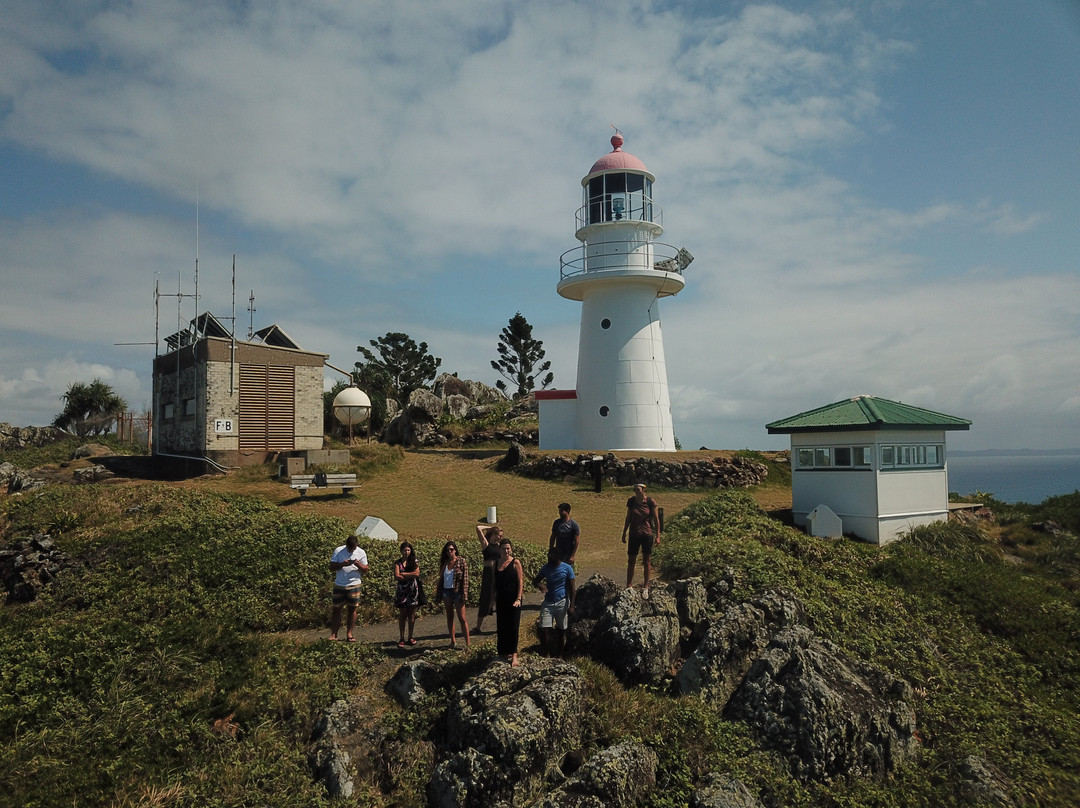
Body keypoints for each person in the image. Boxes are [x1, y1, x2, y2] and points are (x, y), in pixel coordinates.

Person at [531, 548, 576, 659]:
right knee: (544, 628)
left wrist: (571, 606)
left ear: (557, 556)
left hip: (562, 601)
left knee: (561, 630)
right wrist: (540, 586)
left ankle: (559, 656)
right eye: (548, 555)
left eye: (551, 555)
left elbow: (572, 588)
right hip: (549, 602)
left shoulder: (567, 568)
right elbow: (535, 581)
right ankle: (547, 654)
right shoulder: (546, 568)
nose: (549, 557)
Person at [329, 534, 369, 642]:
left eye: (354, 548)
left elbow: (366, 569)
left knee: (352, 609)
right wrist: (342, 564)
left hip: (354, 584)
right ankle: (334, 634)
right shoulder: (338, 551)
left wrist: (358, 565)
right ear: (346, 545)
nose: (352, 550)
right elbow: (331, 567)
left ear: (357, 545)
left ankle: (349, 634)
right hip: (340, 584)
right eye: (350, 548)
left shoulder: (361, 552)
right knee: (336, 609)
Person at [622, 482, 659, 597]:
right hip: (634, 534)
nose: (636, 492)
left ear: (643, 490)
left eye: (638, 490)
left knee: (646, 560)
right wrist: (624, 533)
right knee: (631, 560)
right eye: (634, 490)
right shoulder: (631, 502)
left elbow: (656, 519)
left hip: (647, 534)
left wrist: (658, 535)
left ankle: (646, 586)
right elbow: (628, 517)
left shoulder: (650, 502)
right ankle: (629, 585)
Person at [493, 537, 524, 666]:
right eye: (504, 548)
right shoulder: (497, 563)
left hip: (513, 600)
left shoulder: (515, 562)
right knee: (502, 626)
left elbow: (520, 581)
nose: (506, 551)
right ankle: (503, 651)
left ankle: (514, 655)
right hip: (501, 599)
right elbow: (494, 583)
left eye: (508, 548)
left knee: (513, 627)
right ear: (500, 549)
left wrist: (518, 598)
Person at [437, 540, 470, 649]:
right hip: (446, 591)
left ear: (455, 550)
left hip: (457, 591)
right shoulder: (445, 563)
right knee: (450, 616)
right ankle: (453, 641)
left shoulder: (461, 561)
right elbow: (441, 579)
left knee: (462, 618)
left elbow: (465, 579)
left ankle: (468, 644)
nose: (449, 552)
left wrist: (464, 594)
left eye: (451, 549)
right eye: (447, 550)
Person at [473, 523, 503, 634]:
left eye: (501, 536)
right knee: (485, 598)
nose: (500, 537)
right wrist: (489, 527)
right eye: (498, 535)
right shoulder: (486, 544)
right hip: (489, 572)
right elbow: (478, 528)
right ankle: (478, 627)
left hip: (498, 572)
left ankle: (500, 626)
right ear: (493, 534)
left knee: (499, 599)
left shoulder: (500, 546)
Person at [393, 541, 421, 648]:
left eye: (408, 550)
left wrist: (404, 574)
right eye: (404, 550)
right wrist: (411, 575)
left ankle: (410, 636)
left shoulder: (414, 561)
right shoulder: (397, 563)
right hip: (402, 591)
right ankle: (401, 637)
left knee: (412, 614)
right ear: (401, 551)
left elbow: (417, 574)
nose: (406, 552)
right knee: (402, 615)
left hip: (413, 591)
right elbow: (397, 576)